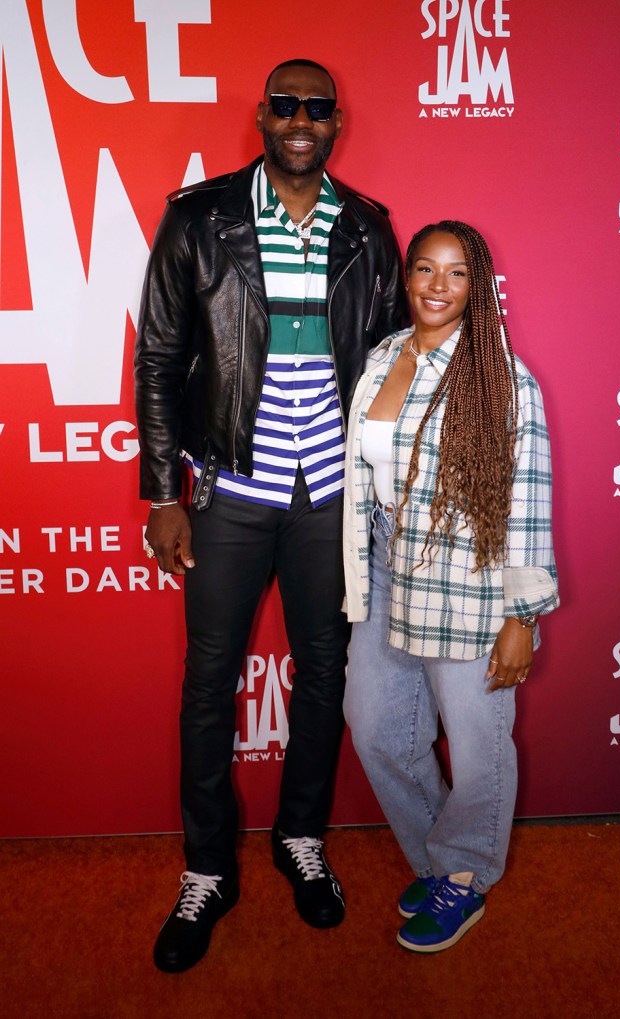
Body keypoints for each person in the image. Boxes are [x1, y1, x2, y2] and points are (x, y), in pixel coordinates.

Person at [134, 58, 409, 973]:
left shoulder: (369, 229)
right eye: (284, 105)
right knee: (210, 680)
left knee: (323, 673)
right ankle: (208, 866)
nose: (300, 119)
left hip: (331, 498)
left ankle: (302, 839)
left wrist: (385, 487)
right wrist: (162, 492)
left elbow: (386, 366)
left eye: (316, 108)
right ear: (261, 115)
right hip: (228, 494)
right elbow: (162, 358)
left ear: (336, 122)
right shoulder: (199, 217)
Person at [343, 221, 559, 953]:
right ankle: (443, 851)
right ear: (406, 278)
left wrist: (522, 614)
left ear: (479, 285)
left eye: (457, 273)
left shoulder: (500, 376)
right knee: (374, 725)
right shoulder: (382, 357)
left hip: (470, 579)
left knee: (477, 745)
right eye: (425, 269)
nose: (437, 285)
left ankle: (461, 876)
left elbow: (528, 498)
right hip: (384, 564)